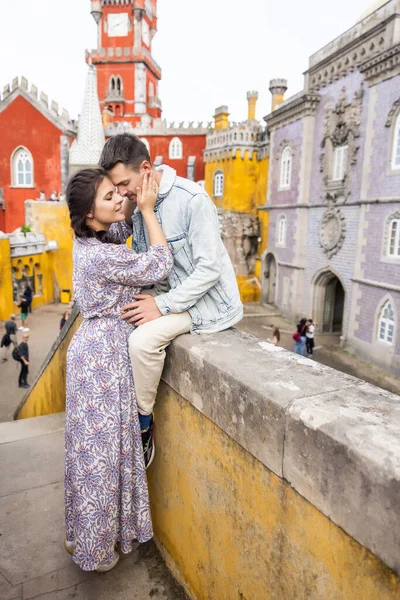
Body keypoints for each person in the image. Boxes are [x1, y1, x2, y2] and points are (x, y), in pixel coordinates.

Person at [100, 134, 243, 466]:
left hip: (207, 304)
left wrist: (160, 306)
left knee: (142, 341)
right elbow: (145, 268)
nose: (122, 193)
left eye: (124, 184)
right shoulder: (138, 204)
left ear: (146, 168)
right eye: (116, 187)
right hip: (169, 293)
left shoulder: (192, 199)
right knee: (116, 318)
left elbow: (209, 270)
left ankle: (143, 425)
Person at [64, 168, 173, 573]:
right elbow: (160, 263)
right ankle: (95, 551)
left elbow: (117, 226)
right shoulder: (103, 255)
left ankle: (80, 535)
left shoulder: (87, 239)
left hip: (89, 352)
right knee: (102, 460)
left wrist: (131, 200)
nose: (119, 199)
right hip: (103, 363)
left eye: (117, 192)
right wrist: (148, 209)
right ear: (89, 214)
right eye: (109, 196)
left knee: (87, 454)